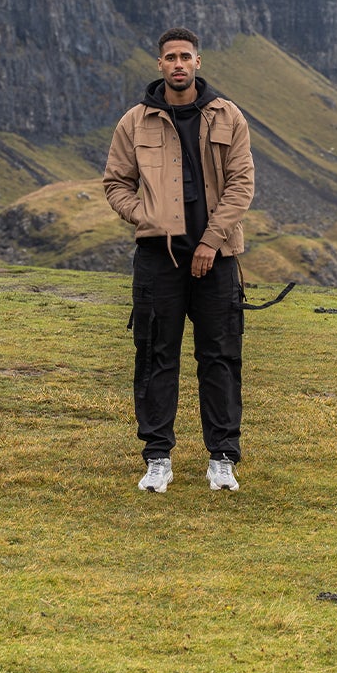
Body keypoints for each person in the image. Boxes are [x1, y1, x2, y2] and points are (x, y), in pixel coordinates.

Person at [100, 28, 257, 494]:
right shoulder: (134, 122)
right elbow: (115, 183)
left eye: (185, 56)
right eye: (170, 57)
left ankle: (223, 458)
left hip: (218, 257)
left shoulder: (229, 116)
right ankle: (157, 458)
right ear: (160, 64)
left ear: (199, 62)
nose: (178, 64)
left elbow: (241, 185)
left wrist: (210, 241)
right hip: (157, 260)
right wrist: (144, 216)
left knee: (221, 357)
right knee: (154, 357)